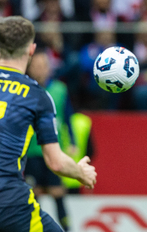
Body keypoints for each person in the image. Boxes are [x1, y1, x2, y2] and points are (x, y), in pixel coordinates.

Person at [0, 16, 96, 231]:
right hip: (8, 202)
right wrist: (81, 172)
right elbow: (56, 162)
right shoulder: (37, 96)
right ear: (32, 50)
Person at [24, 50, 76, 231]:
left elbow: (68, 117)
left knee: (57, 192)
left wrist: (73, 142)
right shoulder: (25, 89)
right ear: (29, 68)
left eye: (43, 66)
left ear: (49, 68)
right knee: (34, 193)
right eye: (36, 66)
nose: (40, 70)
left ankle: (66, 228)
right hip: (31, 151)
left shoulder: (60, 90)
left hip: (54, 151)